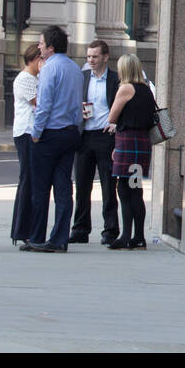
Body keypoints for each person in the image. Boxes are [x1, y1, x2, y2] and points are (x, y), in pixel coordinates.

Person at [24, 25, 83, 252]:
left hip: (49, 133)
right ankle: (59, 238)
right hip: (70, 132)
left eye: (41, 43)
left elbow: (44, 105)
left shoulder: (49, 69)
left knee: (40, 188)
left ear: (50, 47)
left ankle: (37, 237)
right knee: (63, 187)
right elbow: (78, 104)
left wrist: (36, 133)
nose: (39, 47)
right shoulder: (75, 69)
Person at [71, 40, 120, 244]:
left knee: (109, 186)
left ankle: (110, 231)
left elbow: (122, 106)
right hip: (85, 136)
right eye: (89, 56)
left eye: (95, 56)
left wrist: (116, 123)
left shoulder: (116, 80)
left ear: (105, 57)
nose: (91, 60)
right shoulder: (82, 78)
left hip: (105, 137)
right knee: (82, 186)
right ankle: (80, 230)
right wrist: (78, 110)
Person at [106, 53, 155, 249]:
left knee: (124, 189)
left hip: (128, 143)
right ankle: (139, 236)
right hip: (141, 143)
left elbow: (112, 117)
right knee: (136, 189)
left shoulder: (126, 88)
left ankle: (126, 236)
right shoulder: (146, 90)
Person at [10, 44, 43, 246]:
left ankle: (24, 228)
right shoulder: (25, 79)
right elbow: (38, 102)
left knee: (30, 179)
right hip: (26, 131)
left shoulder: (35, 78)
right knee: (28, 179)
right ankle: (22, 229)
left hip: (31, 131)